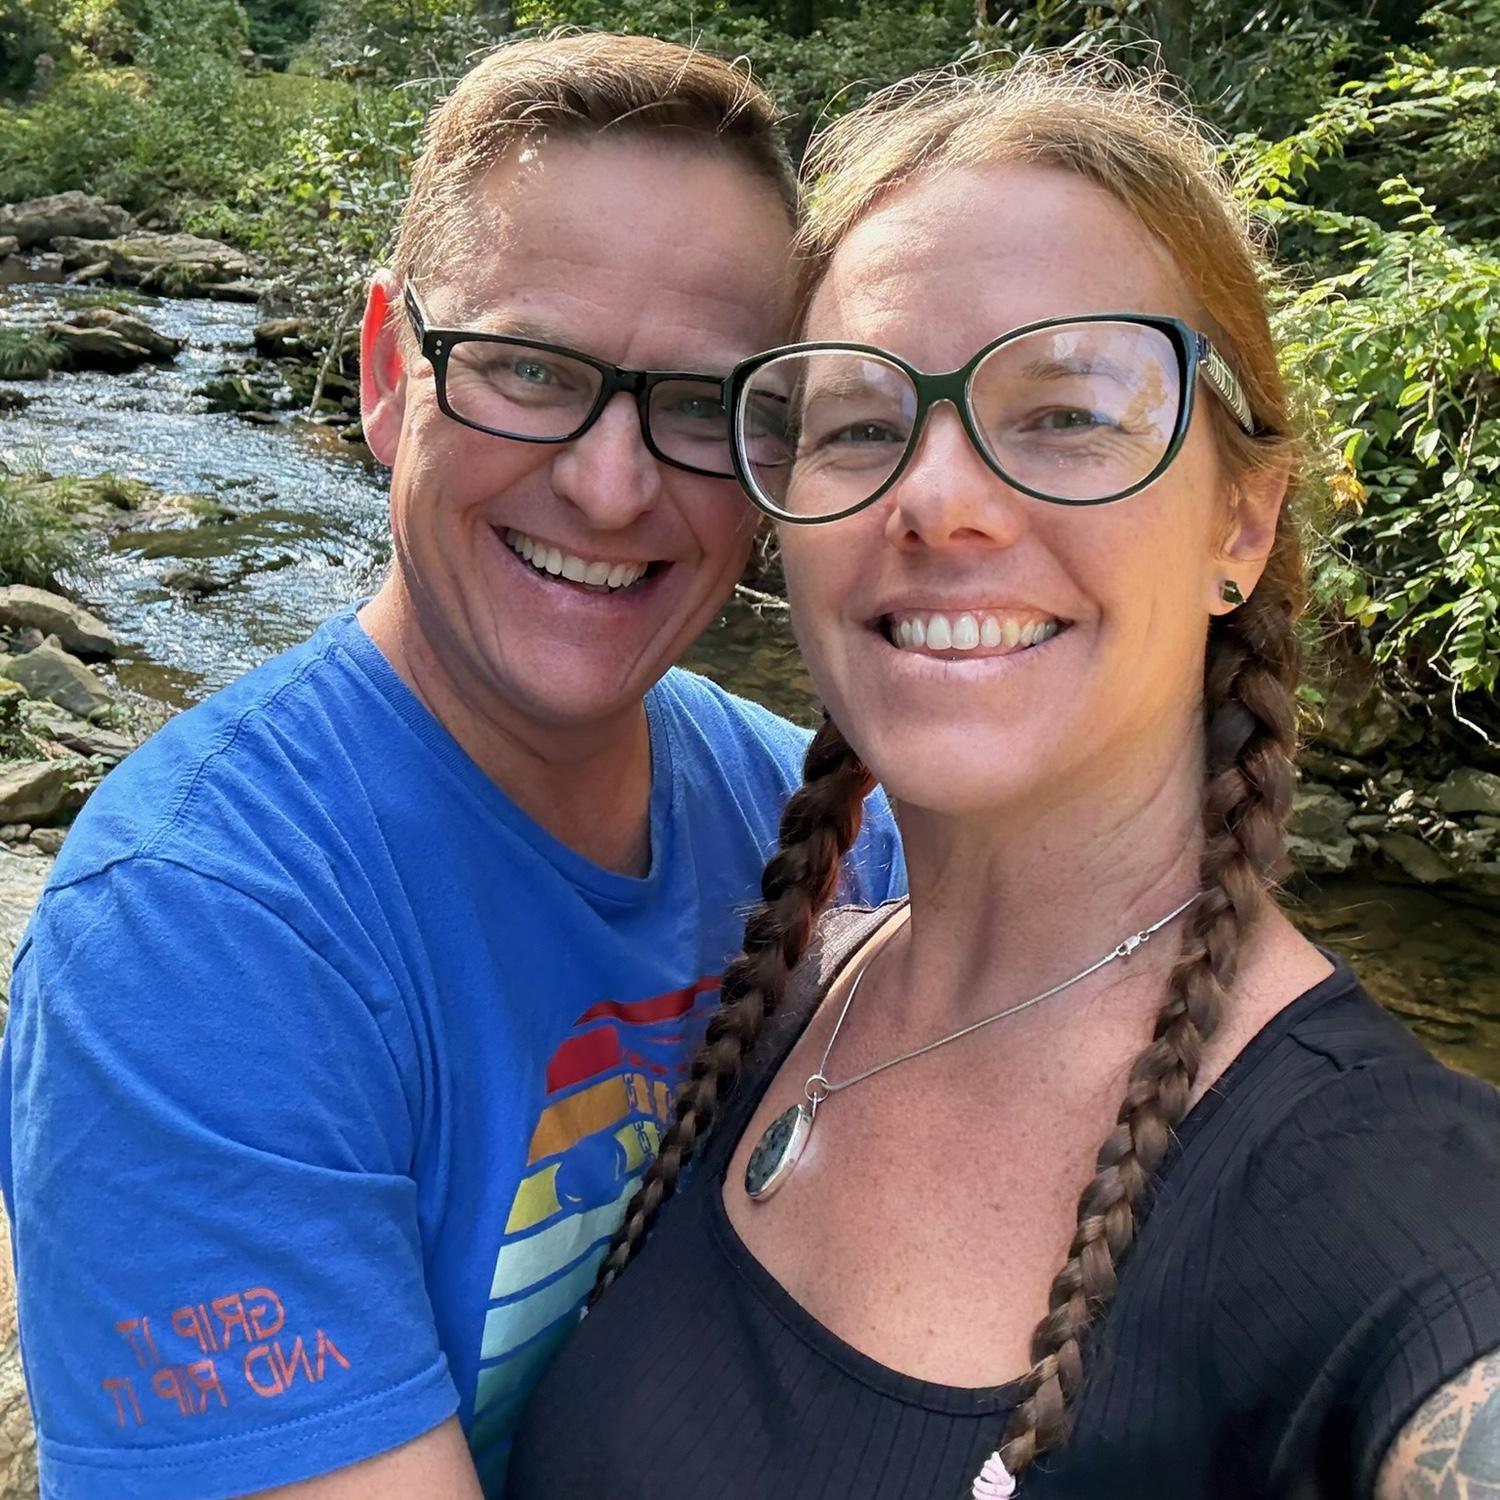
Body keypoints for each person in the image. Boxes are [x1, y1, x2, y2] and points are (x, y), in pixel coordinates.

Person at [507, 57, 1500, 1500]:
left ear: (1240, 520)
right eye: (860, 423)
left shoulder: (1393, 1201)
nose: (936, 500)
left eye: (1067, 413)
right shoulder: (772, 1002)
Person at [0, 33, 904, 1500]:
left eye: (699, 404)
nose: (610, 487)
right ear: (385, 372)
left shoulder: (814, 815)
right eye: (529, 371)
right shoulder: (195, 936)